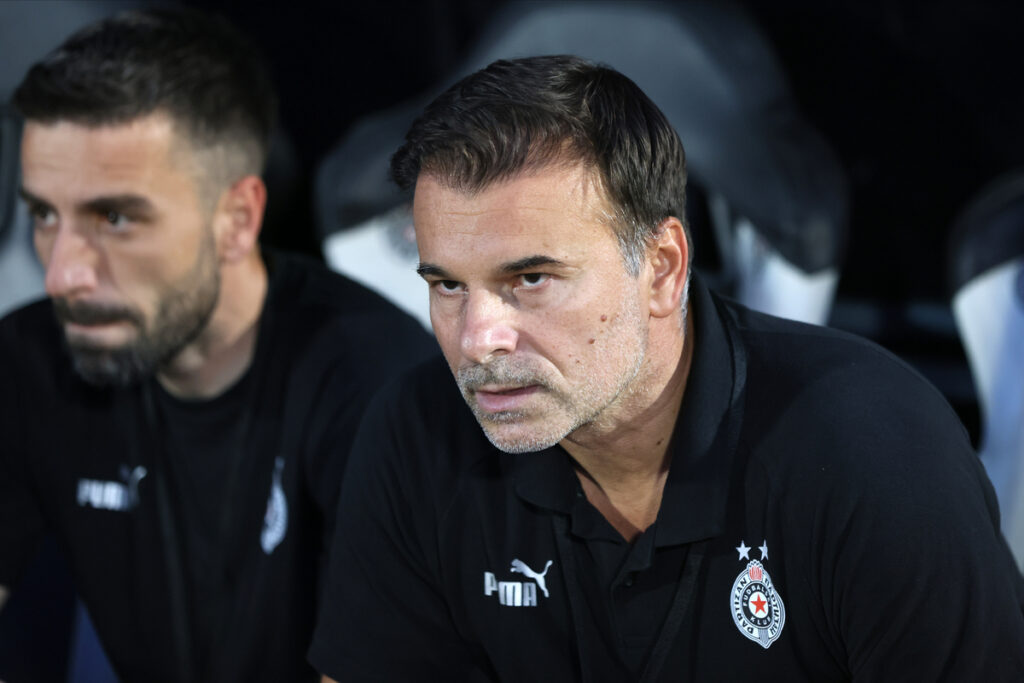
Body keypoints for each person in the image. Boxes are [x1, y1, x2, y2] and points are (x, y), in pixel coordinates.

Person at [310, 55, 1024, 682]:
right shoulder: (417, 432)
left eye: (530, 278)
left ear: (662, 268)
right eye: (447, 286)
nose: (478, 339)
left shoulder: (874, 452)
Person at [0, 8, 434, 682]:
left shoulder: (375, 380)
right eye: (44, 215)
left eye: (114, 218)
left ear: (237, 219)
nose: (62, 275)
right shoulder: (32, 360)